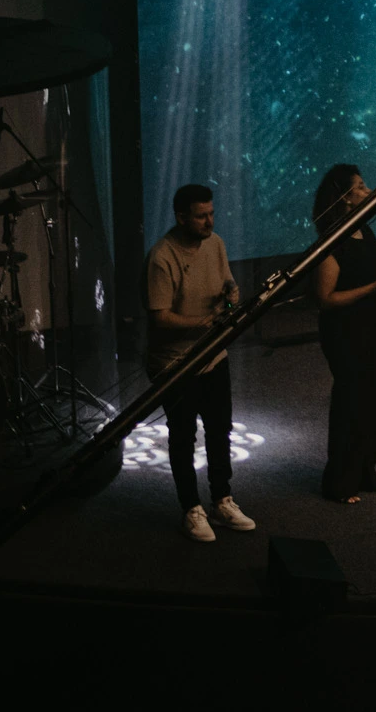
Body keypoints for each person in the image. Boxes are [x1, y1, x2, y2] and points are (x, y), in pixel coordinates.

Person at [146, 183, 255, 542]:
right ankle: (191, 508)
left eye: (211, 213)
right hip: (174, 363)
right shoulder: (162, 257)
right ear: (181, 217)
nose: (209, 221)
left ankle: (222, 499)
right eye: (201, 216)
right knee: (183, 437)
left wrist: (230, 296)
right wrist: (202, 323)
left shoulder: (216, 244)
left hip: (213, 355)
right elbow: (160, 317)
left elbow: (226, 286)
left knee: (220, 429)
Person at [311, 164, 376, 505]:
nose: (368, 193)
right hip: (344, 331)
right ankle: (340, 480)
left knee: (375, 399)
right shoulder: (332, 240)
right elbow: (325, 299)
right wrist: (371, 289)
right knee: (351, 402)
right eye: (361, 187)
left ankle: (366, 470)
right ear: (345, 198)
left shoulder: (363, 231)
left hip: (373, 326)